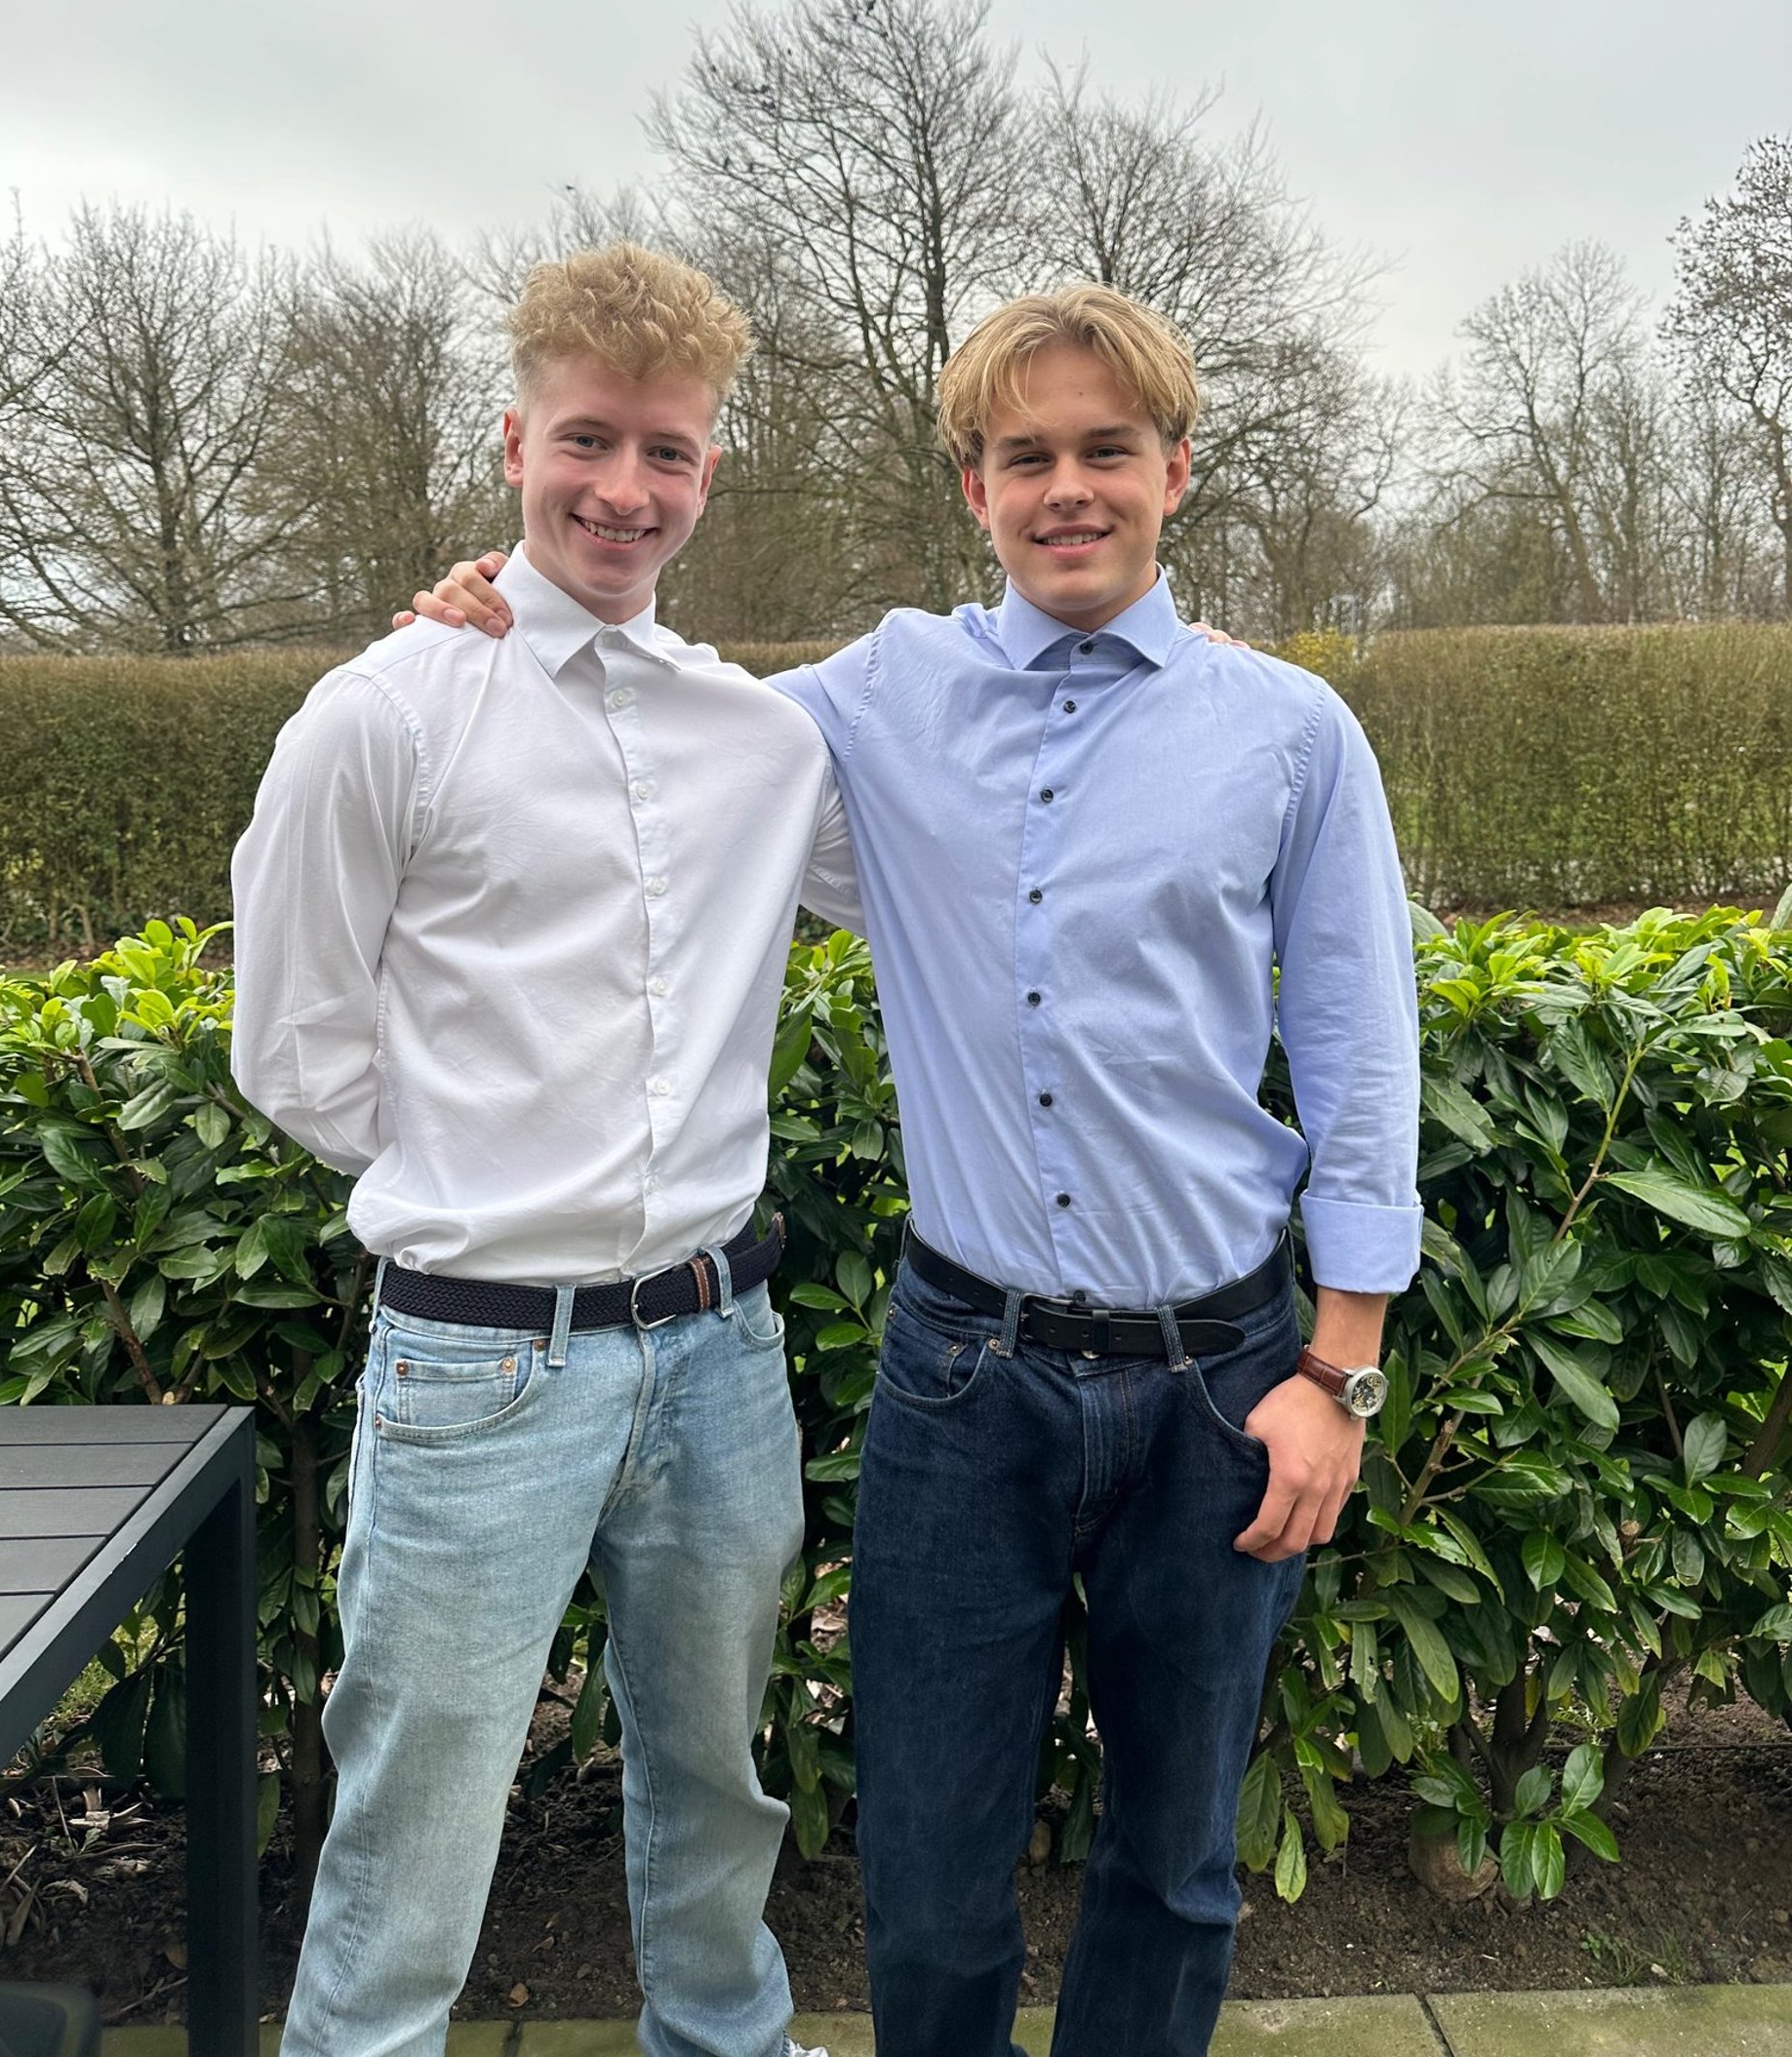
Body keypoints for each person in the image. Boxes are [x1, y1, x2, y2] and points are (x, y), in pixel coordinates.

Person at [407, 283, 1421, 2057]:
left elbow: (1356, 1050)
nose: (1069, 489)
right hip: (967, 1381)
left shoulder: (1288, 734)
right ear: (976, 489)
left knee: (1177, 1864)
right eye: (1025, 456)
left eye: (1108, 450)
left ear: (1176, 471)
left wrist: (1338, 1366)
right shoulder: (871, 703)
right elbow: (651, 736)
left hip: (1228, 1383)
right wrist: (496, 622)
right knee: (934, 1881)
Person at [230, 243, 855, 2057]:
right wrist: (479, 1172)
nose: (624, 489)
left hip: (722, 1353)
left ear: (710, 469)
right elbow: (293, 1047)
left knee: (719, 1783)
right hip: (481, 1357)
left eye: (667, 453)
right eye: (589, 440)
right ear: (513, 438)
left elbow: (959, 837)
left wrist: (1163, 647)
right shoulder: (384, 715)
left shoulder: (765, 740)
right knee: (416, 1818)